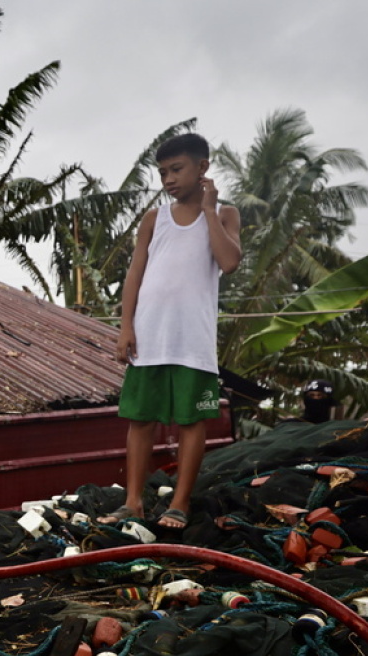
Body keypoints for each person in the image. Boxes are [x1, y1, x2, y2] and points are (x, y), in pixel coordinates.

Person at [99, 134, 242, 530]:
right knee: (140, 420)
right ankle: (133, 502)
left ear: (203, 168)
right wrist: (125, 326)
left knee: (191, 422)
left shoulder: (226, 215)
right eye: (162, 172)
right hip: (149, 336)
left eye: (176, 169)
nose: (168, 179)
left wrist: (210, 211)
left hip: (193, 341)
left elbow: (229, 262)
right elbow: (135, 275)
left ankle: (179, 504)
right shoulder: (154, 219)